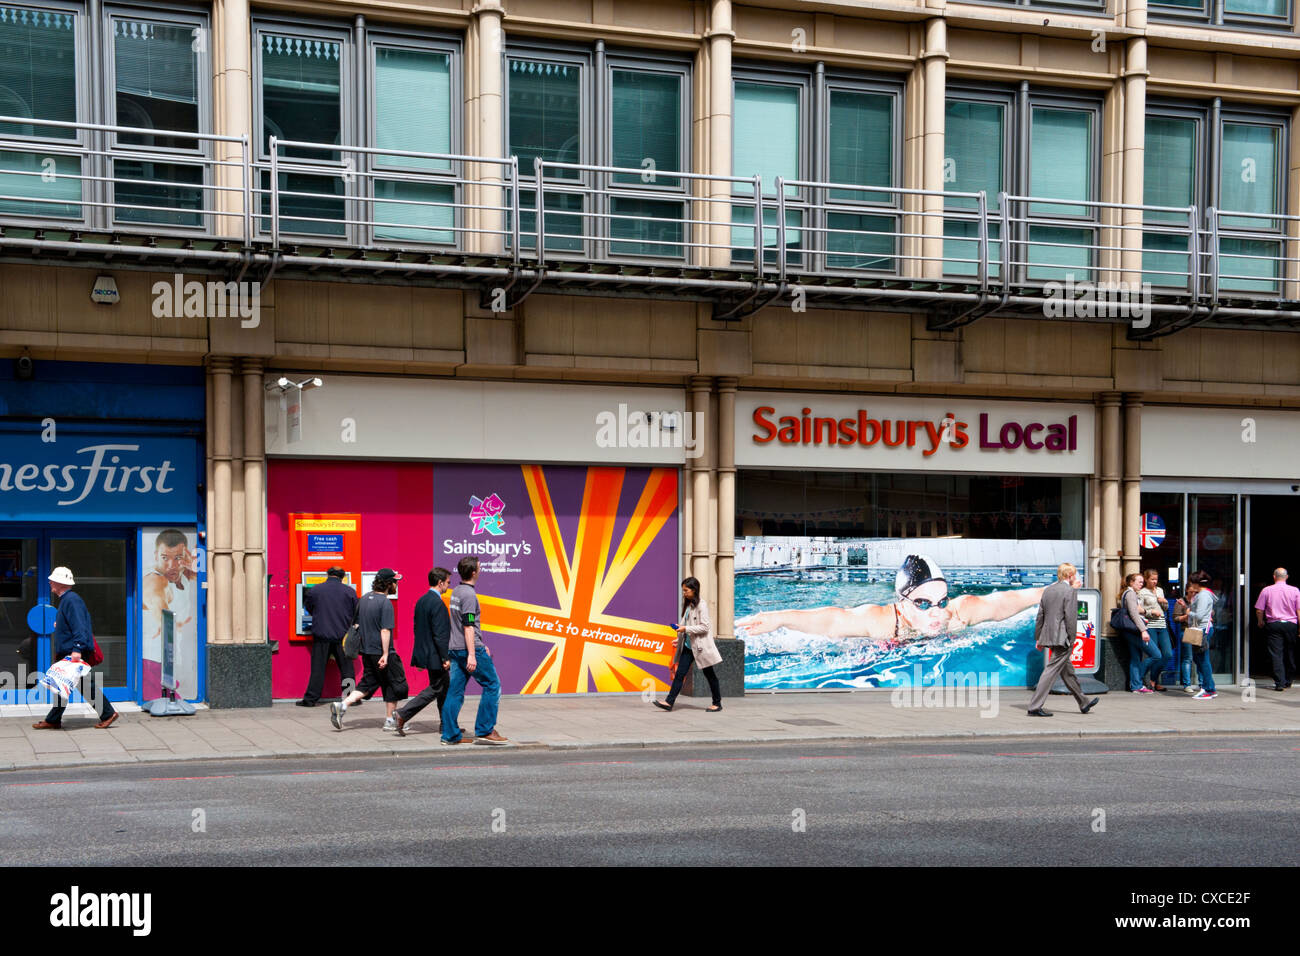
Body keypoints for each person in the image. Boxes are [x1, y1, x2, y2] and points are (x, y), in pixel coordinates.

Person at [737, 554, 1044, 644]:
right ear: (902, 602)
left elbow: (1005, 601)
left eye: (941, 601)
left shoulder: (960, 612)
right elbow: (834, 619)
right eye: (923, 603)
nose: (937, 612)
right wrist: (780, 618)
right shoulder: (882, 620)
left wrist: (1049, 590)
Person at [32, 567, 118, 730]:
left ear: (60, 583)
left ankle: (108, 713)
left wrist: (77, 649)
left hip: (74, 651)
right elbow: (75, 623)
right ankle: (54, 719)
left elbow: (80, 626)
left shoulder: (71, 600)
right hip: (69, 651)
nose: (50, 582)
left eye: (52, 580)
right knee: (61, 683)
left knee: (84, 684)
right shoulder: (68, 600)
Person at [440, 556, 508, 746]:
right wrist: (472, 652)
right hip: (468, 650)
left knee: (454, 692)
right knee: (492, 685)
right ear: (473, 572)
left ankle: (450, 735)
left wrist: (478, 642)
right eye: (479, 567)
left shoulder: (457, 592)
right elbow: (468, 626)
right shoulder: (469, 596)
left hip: (455, 649)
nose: (481, 570)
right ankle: (485, 730)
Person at [329, 568, 408, 731]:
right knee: (394, 684)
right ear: (388, 584)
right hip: (381, 652)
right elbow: (385, 630)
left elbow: (356, 624)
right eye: (395, 582)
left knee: (368, 683)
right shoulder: (385, 602)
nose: (396, 585)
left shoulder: (363, 599)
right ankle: (390, 722)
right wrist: (386, 654)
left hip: (366, 651)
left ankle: (342, 705)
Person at [1027, 563, 1098, 717]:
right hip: (1063, 638)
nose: (1075, 577)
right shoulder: (1070, 591)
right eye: (1074, 574)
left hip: (1050, 635)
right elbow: (1071, 618)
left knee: (1067, 672)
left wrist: (1038, 638)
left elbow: (1040, 616)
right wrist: (1072, 639)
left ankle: (1083, 702)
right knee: (1051, 670)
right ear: (1069, 576)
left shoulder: (1048, 590)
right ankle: (1034, 706)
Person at [393, 567, 453, 736]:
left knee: (444, 688)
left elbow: (417, 628)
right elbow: (440, 634)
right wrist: (445, 657)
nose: (449, 585)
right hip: (436, 654)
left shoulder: (422, 601)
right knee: (437, 688)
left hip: (427, 653)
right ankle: (402, 714)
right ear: (440, 583)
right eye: (448, 582)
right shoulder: (438, 604)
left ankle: (447, 724)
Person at [653, 576, 723, 713]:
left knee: (710, 675)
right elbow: (687, 624)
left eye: (686, 590)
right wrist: (679, 639)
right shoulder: (689, 605)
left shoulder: (701, 605)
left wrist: (685, 629)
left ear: (694, 590)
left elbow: (704, 627)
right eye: (683, 590)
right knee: (680, 674)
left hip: (700, 647)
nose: (684, 593)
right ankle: (669, 702)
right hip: (688, 646)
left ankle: (717, 703)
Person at [142, 528, 197, 699]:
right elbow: (165, 624)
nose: (171, 565)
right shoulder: (155, 581)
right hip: (153, 660)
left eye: (177, 558)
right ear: (155, 555)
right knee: (166, 701)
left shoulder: (181, 577)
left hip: (166, 658)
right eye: (165, 558)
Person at [298, 566, 359, 707]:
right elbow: (355, 612)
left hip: (322, 635)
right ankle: (350, 698)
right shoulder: (349, 591)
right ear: (342, 577)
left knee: (318, 668)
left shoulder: (316, 590)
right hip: (342, 636)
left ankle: (311, 699)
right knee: (346, 668)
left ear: (328, 574)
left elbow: (309, 608)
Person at [1254, 567, 1299, 692]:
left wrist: (1260, 621)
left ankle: (1279, 682)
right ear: (1287, 577)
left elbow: (1259, 609)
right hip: (1291, 624)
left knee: (1276, 653)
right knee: (1290, 651)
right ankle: (1289, 680)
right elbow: (1298, 610)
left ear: (1274, 577)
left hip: (1274, 624)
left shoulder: (1267, 590)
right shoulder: (1295, 590)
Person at [1174, 576, 1218, 700]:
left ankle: (1209, 689)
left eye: (1191, 583)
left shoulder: (1203, 595)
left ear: (1195, 583)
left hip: (1201, 629)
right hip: (1199, 629)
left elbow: (1198, 615)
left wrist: (1188, 612)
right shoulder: (1205, 594)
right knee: (1200, 660)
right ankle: (1208, 687)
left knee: (1203, 660)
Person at [1118, 572, 1161, 693]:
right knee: (1156, 655)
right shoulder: (1131, 593)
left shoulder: (1127, 593)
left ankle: (1136, 686)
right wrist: (1143, 630)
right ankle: (1137, 680)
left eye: (1142, 582)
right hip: (1134, 631)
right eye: (1139, 582)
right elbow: (1133, 614)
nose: (1141, 584)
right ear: (1131, 582)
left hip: (1129, 630)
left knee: (1135, 657)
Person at [1139, 569, 1173, 691]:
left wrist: (1165, 602)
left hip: (1162, 625)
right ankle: (1145, 679)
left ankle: (1153, 679)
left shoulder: (1160, 590)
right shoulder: (1142, 593)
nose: (1154, 581)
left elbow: (1165, 608)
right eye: (1152, 579)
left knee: (1168, 654)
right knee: (1155, 655)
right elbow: (1139, 610)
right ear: (1146, 579)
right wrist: (1151, 612)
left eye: (1156, 579)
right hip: (1150, 626)